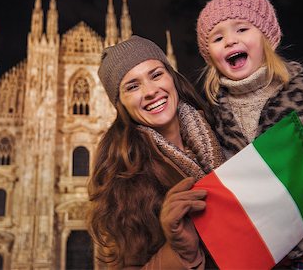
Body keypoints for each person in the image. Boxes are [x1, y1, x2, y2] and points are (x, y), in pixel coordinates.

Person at [196, 0, 303, 268]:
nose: (230, 39)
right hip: (255, 250)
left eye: (242, 28)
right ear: (210, 56)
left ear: (267, 39)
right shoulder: (214, 115)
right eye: (217, 37)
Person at [88, 35, 224, 269]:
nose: (150, 91)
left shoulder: (224, 128)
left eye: (156, 74)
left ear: (172, 77)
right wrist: (180, 251)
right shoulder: (120, 179)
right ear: (120, 103)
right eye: (132, 86)